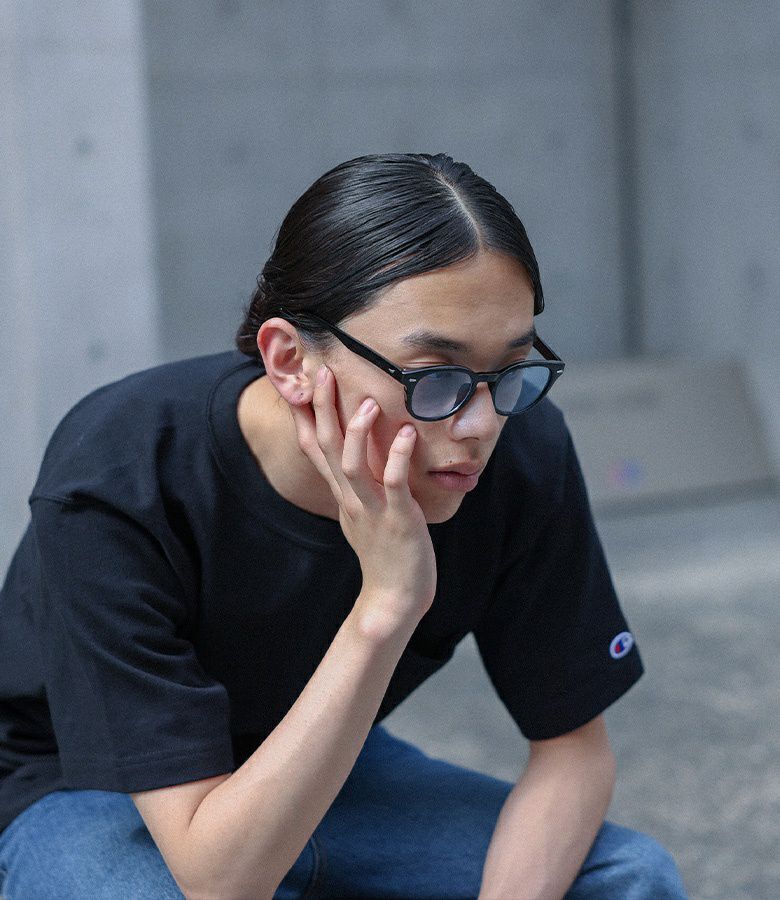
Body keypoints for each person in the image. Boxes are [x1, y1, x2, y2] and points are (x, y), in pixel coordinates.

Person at [0, 153, 687, 899]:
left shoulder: (519, 450)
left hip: (329, 763)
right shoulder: (124, 471)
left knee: (627, 878)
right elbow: (220, 881)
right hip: (91, 786)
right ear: (290, 359)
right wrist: (386, 605)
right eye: (436, 377)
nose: (480, 424)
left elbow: (572, 752)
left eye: (511, 370)